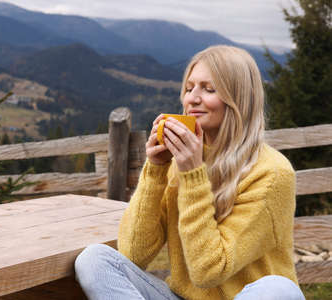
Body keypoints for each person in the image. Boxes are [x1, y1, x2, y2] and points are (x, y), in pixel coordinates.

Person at [74, 45, 306, 300]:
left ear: (239, 98)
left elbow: (209, 272)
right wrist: (156, 170)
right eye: (189, 88)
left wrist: (193, 175)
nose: (192, 98)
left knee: (280, 290)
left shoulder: (272, 173)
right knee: (95, 259)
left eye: (208, 89)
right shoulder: (178, 162)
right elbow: (133, 254)